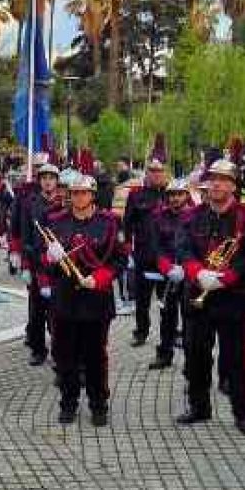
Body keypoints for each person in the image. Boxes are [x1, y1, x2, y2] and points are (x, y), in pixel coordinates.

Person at [175, 160, 245, 435]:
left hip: (232, 296)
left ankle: (242, 412)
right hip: (198, 293)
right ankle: (199, 407)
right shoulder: (191, 216)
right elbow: (183, 248)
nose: (216, 184)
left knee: (236, 357)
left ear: (234, 185)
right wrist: (198, 273)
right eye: (212, 179)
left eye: (223, 179)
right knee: (196, 353)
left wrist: (226, 278)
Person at [39, 173, 119, 425]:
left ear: (93, 195)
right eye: (74, 193)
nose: (78, 197)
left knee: (96, 356)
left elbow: (119, 259)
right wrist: (49, 258)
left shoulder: (109, 223)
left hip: (96, 298)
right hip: (65, 299)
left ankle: (98, 404)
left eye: (83, 193)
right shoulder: (56, 222)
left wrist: (101, 278)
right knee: (65, 355)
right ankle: (68, 403)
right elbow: (45, 262)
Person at [9, 161, 63, 366]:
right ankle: (38, 349)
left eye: (52, 178)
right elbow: (21, 230)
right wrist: (20, 259)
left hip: (57, 264)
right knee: (37, 310)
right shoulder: (29, 202)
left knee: (58, 311)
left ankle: (60, 351)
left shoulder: (64, 202)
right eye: (44, 178)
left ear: (57, 181)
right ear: (39, 181)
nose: (48, 182)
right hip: (34, 261)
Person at [123, 154, 170, 350]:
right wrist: (127, 248)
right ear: (147, 173)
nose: (156, 174)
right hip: (143, 254)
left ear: (164, 172)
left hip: (166, 256)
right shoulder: (136, 195)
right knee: (142, 300)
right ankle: (141, 331)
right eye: (152, 171)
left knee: (167, 300)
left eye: (159, 171)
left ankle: (169, 334)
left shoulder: (172, 194)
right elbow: (127, 223)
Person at [148, 178, 195, 371]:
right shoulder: (159, 217)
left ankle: (191, 363)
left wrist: (187, 268)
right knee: (167, 317)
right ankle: (164, 354)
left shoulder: (195, 216)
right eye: (172, 195)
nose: (175, 199)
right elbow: (156, 247)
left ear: (187, 195)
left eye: (179, 194)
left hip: (189, 274)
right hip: (168, 274)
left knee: (190, 319)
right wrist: (167, 268)